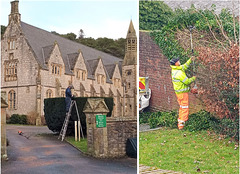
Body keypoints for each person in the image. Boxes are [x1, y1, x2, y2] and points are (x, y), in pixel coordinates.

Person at [170, 56, 196, 130]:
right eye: (178, 61)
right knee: (185, 107)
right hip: (182, 93)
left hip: (179, 93)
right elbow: (187, 81)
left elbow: (184, 66)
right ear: (176, 63)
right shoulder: (178, 73)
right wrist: (194, 78)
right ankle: (182, 124)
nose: (179, 62)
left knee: (182, 107)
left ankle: (180, 122)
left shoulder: (175, 69)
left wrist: (190, 60)